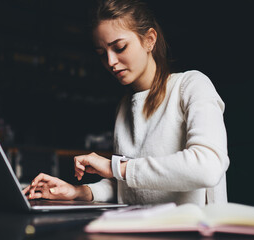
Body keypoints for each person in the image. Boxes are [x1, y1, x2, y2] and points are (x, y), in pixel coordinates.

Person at [22, 0, 229, 206]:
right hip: (138, 230)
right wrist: (78, 191)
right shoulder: (124, 107)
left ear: (149, 40)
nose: (111, 62)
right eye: (102, 54)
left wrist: (115, 167)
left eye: (119, 47)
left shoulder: (191, 85)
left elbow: (208, 167)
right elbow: (131, 184)